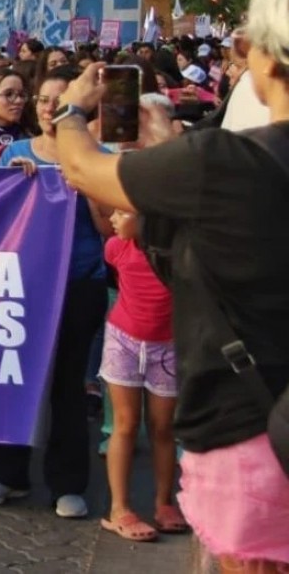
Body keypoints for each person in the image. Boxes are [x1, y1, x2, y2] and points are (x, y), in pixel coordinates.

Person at [51, 0, 289, 570]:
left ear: (264, 57)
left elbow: (82, 170)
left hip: (251, 430)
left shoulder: (222, 163)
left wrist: (72, 112)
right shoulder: (211, 161)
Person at [0, 66, 109, 519]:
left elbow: (111, 231)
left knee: (68, 388)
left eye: (59, 99)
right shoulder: (15, 150)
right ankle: (8, 474)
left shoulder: (99, 156)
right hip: (22, 288)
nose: (50, 107)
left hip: (77, 284)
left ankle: (67, 484)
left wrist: (86, 186)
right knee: (12, 378)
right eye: (43, 100)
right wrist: (10, 183)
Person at [97, 207, 184, 542]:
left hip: (168, 346)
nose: (114, 220)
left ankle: (165, 503)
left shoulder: (176, 253)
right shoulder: (116, 247)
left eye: (122, 214)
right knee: (126, 423)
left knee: (163, 428)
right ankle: (120, 508)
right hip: (124, 342)